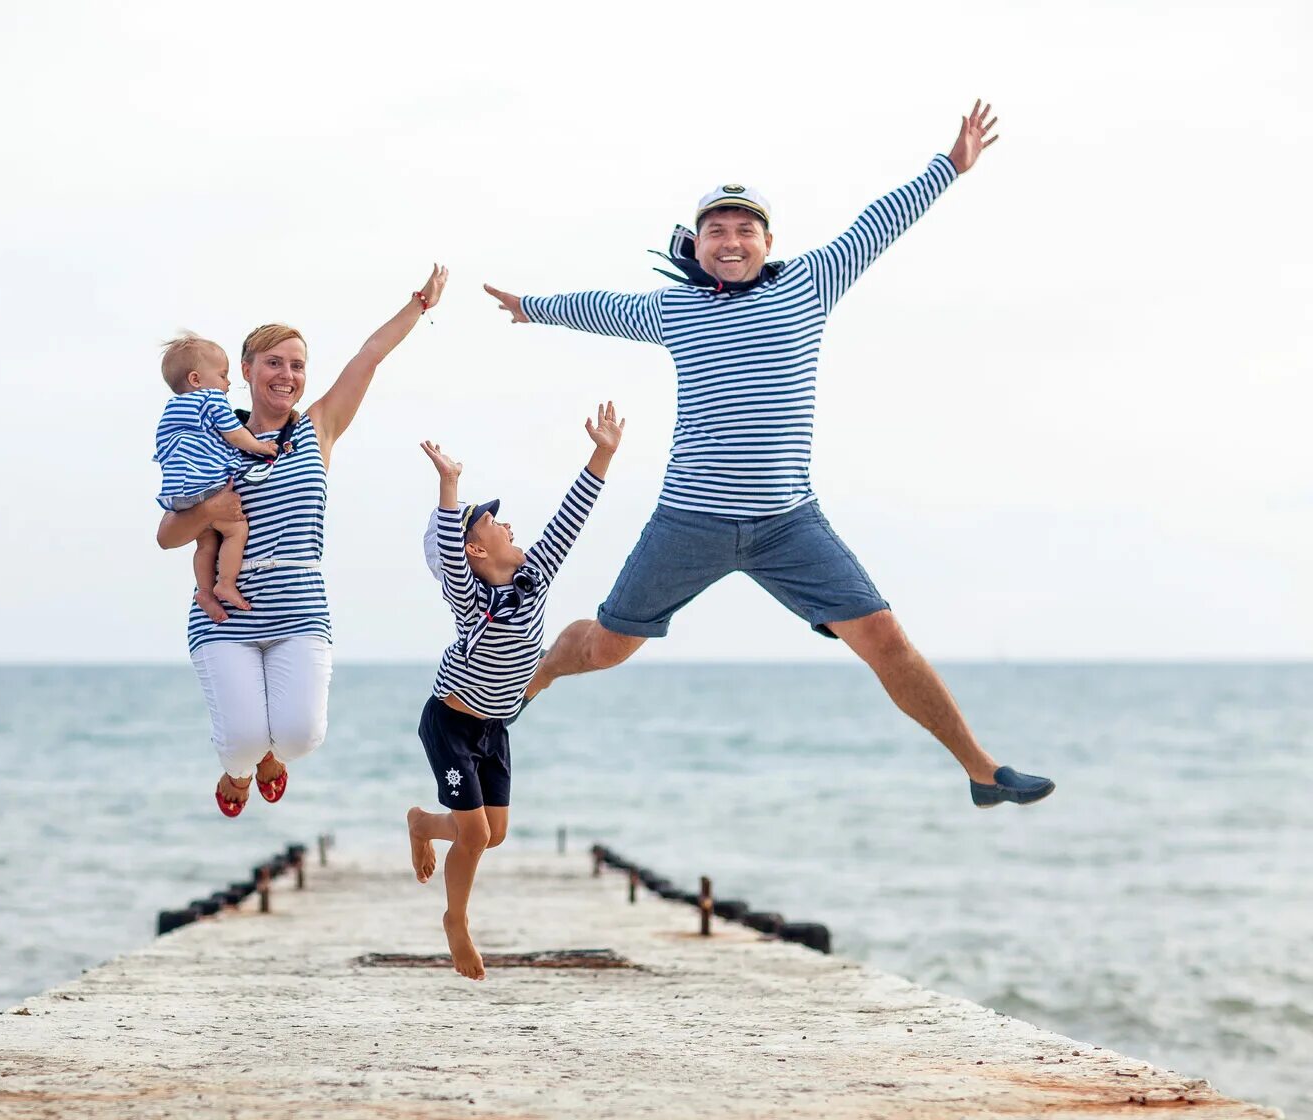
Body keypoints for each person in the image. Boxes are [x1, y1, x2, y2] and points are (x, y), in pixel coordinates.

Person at [483, 102, 1053, 809]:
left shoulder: (810, 283)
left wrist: (950, 165)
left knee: (883, 636)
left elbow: (877, 223)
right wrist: (532, 306)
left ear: (766, 240)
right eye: (715, 231)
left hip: (789, 522)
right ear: (695, 245)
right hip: (689, 522)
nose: (730, 240)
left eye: (744, 229)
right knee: (604, 647)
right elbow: (597, 305)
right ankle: (527, 682)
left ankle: (981, 770)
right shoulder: (671, 310)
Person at [157, 266, 450, 817]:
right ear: (244, 371)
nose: (286, 374)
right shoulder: (209, 433)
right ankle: (239, 767)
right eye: (273, 362)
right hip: (228, 613)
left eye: (296, 365)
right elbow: (167, 536)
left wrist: (418, 304)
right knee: (242, 741)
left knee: (298, 738)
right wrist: (209, 509)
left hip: (299, 610)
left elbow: (368, 357)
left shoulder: (317, 427)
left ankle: (272, 758)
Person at [408, 403, 623, 980]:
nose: (508, 526)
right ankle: (456, 922)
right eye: (494, 524)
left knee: (491, 834)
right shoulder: (469, 595)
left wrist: (601, 453)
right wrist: (450, 487)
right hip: (449, 722)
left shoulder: (536, 575)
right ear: (477, 551)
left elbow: (569, 520)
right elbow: (451, 553)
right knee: (475, 832)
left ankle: (426, 824)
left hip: (495, 728)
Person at [153, 333, 279, 613]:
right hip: (207, 483)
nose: (228, 383)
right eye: (223, 375)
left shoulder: (171, 410)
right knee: (236, 530)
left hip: (179, 493)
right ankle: (225, 582)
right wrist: (260, 446)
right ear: (196, 380)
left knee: (206, 541)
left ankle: (206, 593)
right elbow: (235, 435)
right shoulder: (211, 399)